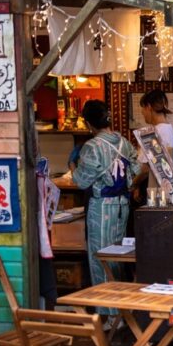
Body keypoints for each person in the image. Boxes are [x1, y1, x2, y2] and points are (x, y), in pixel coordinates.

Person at [72, 100, 140, 316]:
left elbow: (81, 181)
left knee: (100, 257)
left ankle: (107, 312)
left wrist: (73, 166)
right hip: (122, 205)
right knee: (118, 256)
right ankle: (121, 309)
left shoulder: (92, 147)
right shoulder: (124, 143)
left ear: (89, 123)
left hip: (101, 207)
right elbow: (136, 169)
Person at [134, 89, 173, 194]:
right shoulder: (169, 128)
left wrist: (133, 184)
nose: (142, 113)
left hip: (153, 189)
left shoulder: (156, 132)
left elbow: (145, 169)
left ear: (148, 107)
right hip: (166, 187)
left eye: (143, 109)